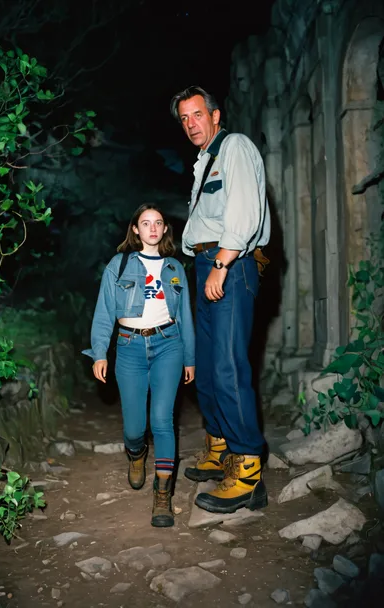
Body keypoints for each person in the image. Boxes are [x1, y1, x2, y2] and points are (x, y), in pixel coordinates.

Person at [169, 85, 270, 514]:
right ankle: (221, 446)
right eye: (184, 118)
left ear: (215, 114)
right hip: (205, 264)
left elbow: (245, 210)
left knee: (228, 365)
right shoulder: (204, 161)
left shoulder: (235, 147)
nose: (191, 123)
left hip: (230, 264)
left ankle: (248, 472)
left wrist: (224, 263)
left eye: (197, 114)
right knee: (207, 367)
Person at [83, 204, 195, 527]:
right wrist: (100, 352)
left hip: (168, 344)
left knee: (162, 419)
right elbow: (104, 313)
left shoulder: (175, 268)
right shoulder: (118, 266)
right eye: (146, 223)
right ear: (135, 229)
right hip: (130, 347)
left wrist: (190, 358)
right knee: (135, 428)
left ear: (164, 229)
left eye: (158, 222)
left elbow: (185, 316)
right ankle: (136, 453)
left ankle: (162, 497)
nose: (153, 228)